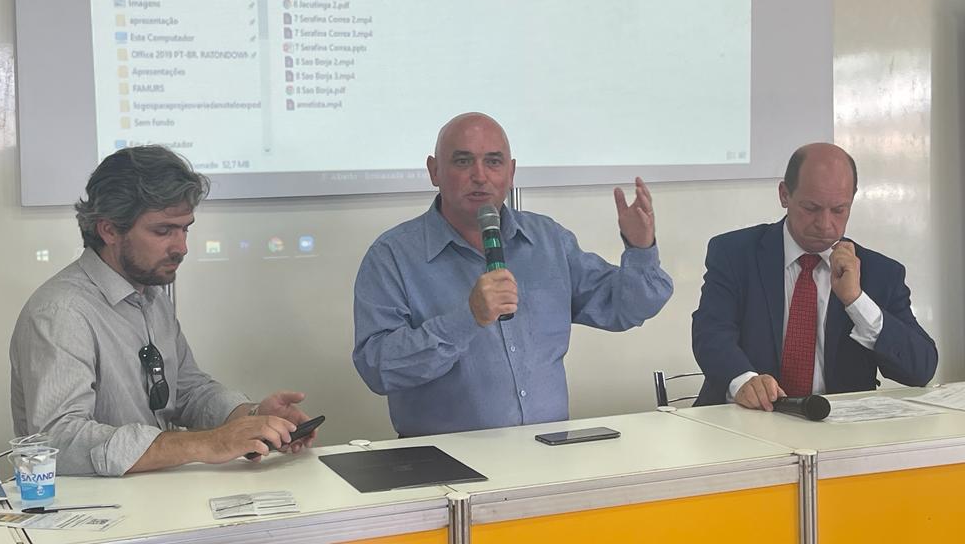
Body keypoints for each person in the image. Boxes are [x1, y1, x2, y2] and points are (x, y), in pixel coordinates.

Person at [352, 112, 674, 436]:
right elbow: (377, 367)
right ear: (434, 171)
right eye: (463, 161)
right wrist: (467, 319)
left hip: (548, 451)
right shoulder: (393, 255)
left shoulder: (548, 240)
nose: (480, 176)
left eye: (493, 162)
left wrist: (640, 249)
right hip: (444, 458)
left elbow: (626, 308)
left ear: (511, 172)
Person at [10, 146, 316, 476]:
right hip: (95, 504)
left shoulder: (152, 296)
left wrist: (251, 417)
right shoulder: (61, 313)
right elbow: (59, 441)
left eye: (185, 229)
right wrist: (208, 443)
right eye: (163, 231)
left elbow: (187, 391)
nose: (181, 247)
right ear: (109, 230)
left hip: (156, 494)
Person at [691, 143, 937, 409]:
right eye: (811, 208)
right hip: (745, 417)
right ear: (784, 195)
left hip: (834, 424)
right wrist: (743, 381)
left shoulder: (880, 273)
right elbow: (711, 333)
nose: (825, 224)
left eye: (839, 210)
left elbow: (921, 369)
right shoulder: (734, 254)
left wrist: (856, 301)